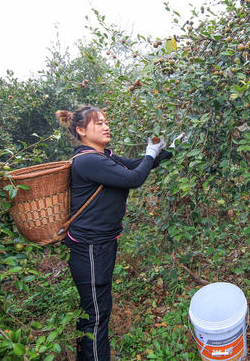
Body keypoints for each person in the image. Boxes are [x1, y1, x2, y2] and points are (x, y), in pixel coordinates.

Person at [56, 106, 171, 361]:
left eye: (106, 121)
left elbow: (136, 166)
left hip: (99, 246)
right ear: (81, 130)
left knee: (95, 309)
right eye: (98, 123)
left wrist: (164, 151)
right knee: (95, 314)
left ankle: (94, 356)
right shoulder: (88, 160)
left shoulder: (102, 156)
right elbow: (134, 179)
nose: (106, 126)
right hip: (90, 249)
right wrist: (150, 154)